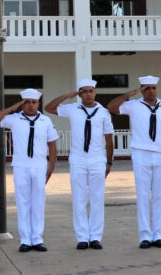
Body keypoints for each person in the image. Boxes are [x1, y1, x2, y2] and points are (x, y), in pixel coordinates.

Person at [107, 75, 161, 249]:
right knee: (143, 195)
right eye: (147, 88)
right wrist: (130, 93)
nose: (151, 91)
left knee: (160, 196)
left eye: (153, 88)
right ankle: (145, 235)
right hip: (141, 153)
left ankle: (158, 235)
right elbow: (111, 107)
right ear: (142, 89)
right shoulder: (133, 106)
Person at [46, 78, 114, 250]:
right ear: (79, 93)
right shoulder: (72, 109)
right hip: (78, 159)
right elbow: (49, 108)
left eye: (91, 91)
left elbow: (108, 138)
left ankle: (96, 237)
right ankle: (82, 237)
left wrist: (109, 161)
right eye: (84, 91)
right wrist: (68, 96)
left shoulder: (103, 112)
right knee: (79, 199)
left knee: (97, 198)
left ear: (95, 92)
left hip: (97, 158)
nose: (88, 94)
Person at [0, 88, 59, 253]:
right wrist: (13, 107)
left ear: (38, 104)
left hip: (40, 165)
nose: (30, 105)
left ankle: (37, 239)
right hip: (21, 166)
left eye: (34, 102)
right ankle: (25, 240)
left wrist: (52, 167)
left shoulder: (46, 121)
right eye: (27, 102)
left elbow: (52, 144)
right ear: (22, 103)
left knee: (38, 203)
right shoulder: (14, 119)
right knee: (23, 203)